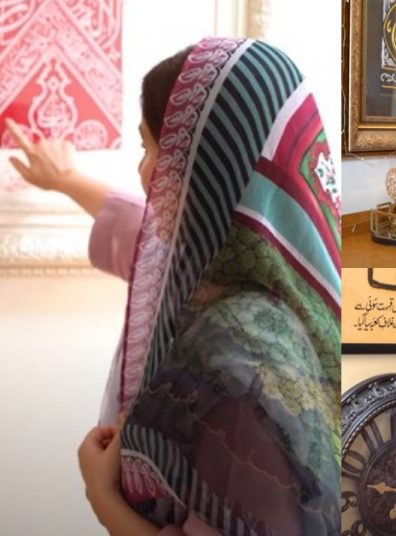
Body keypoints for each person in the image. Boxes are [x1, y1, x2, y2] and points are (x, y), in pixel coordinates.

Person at [7, 37, 341, 534]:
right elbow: (139, 229)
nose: (146, 173)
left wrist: (101, 496)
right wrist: (67, 179)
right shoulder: (260, 278)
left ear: (201, 167)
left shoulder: (235, 357)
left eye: (149, 148)